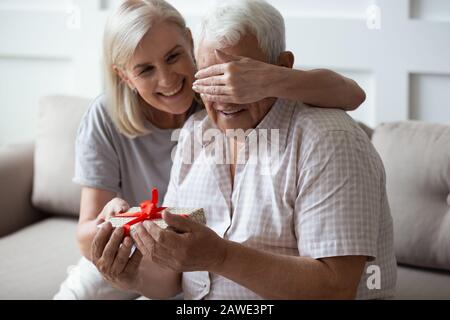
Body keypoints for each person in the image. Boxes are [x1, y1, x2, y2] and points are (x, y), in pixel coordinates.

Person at [54, 0, 366, 299]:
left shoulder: (317, 134)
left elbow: (351, 94)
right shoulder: (185, 127)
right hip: (147, 245)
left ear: (188, 45)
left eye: (238, 79)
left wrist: (272, 80)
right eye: (145, 70)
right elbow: (171, 269)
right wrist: (122, 228)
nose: (167, 79)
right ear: (125, 77)